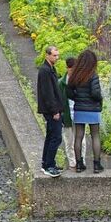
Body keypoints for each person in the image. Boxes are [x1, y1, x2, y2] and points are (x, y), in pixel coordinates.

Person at [65, 49, 104, 174]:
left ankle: (79, 164)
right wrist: (99, 99)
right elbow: (95, 93)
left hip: (79, 108)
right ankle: (97, 165)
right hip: (93, 109)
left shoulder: (75, 75)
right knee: (95, 135)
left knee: (78, 136)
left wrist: (77, 98)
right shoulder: (93, 75)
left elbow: (69, 92)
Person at [37, 44, 64, 177]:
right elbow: (48, 93)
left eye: (58, 55)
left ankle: (46, 163)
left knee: (51, 136)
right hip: (51, 110)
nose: (57, 57)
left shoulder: (49, 69)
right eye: (54, 55)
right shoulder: (45, 71)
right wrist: (55, 111)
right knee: (56, 137)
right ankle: (49, 165)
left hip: (51, 109)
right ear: (47, 55)